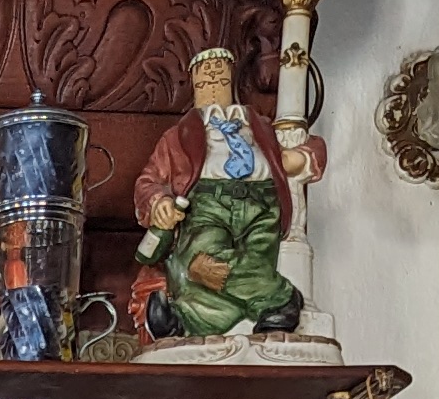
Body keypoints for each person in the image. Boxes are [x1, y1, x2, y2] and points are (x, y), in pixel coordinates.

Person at [128, 45, 309, 343]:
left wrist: (300, 158)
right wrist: (159, 201)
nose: (213, 85)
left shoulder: (259, 126)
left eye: (220, 79)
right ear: (194, 85)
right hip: (209, 203)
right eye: (205, 80)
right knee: (200, 262)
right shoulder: (177, 136)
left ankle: (184, 320)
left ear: (232, 81)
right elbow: (148, 180)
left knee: (251, 264)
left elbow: (309, 150)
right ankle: (279, 299)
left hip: (263, 202)